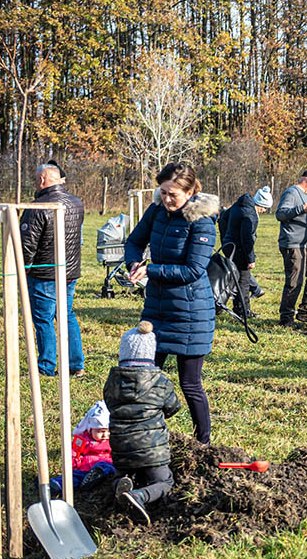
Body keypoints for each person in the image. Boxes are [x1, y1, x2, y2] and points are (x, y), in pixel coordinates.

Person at [125, 162, 218, 444]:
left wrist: (150, 270)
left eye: (173, 194)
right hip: (157, 308)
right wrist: (134, 263)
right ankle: (145, 435)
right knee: (145, 376)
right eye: (163, 192)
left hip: (191, 312)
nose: (167, 199)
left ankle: (203, 442)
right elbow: (134, 241)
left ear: (190, 193)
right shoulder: (156, 212)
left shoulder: (201, 222)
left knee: (190, 384)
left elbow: (193, 270)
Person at [107, 321, 181, 526]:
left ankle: (120, 484)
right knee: (165, 482)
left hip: (121, 448)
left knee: (122, 474)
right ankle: (140, 496)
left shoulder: (113, 382)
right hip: (151, 451)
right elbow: (173, 408)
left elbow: (109, 404)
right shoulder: (160, 382)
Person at [19, 162, 85, 377]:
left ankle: (46, 366)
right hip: (70, 271)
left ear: (41, 180)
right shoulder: (76, 203)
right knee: (65, 315)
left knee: (43, 319)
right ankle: (76, 364)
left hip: (44, 273)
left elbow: (27, 245)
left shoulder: (37, 207)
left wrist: (23, 269)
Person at [275, 168, 307, 325]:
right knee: (294, 281)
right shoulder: (291, 193)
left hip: (306, 244)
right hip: (293, 244)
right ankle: (286, 317)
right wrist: (300, 209)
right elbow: (280, 214)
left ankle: (306, 310)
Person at [219, 186, 272, 319]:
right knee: (244, 281)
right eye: (264, 208)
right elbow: (247, 238)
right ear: (260, 204)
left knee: (236, 279)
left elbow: (222, 219)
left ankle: (238, 308)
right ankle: (243, 311)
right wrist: (250, 259)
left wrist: (226, 239)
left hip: (230, 247)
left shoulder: (238, 205)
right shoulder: (250, 214)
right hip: (239, 250)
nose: (264, 211)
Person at [49, 401, 115, 497]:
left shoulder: (112, 441)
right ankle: (54, 485)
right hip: (84, 466)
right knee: (73, 477)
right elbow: (74, 451)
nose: (105, 435)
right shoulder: (83, 440)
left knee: (106, 466)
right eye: (100, 431)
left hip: (104, 462)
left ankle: (97, 475)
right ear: (90, 429)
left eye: (108, 431)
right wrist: (74, 460)